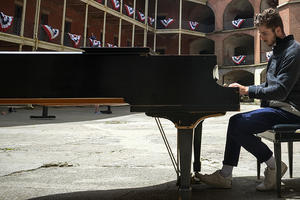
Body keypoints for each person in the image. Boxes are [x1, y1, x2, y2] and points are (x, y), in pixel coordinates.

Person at [198, 8, 300, 191]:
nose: (261, 38)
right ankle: (226, 175)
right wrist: (243, 88)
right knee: (236, 121)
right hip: (278, 108)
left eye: (264, 33)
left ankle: (274, 166)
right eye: (259, 34)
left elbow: (281, 91)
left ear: (278, 30)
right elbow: (268, 85)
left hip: (291, 111)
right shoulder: (278, 51)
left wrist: (248, 90)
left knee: (238, 124)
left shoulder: (294, 52)